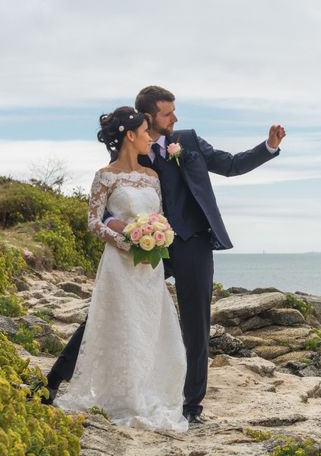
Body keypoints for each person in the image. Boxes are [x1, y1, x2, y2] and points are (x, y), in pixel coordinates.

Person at [45, 86, 285, 425]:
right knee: (107, 311)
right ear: (147, 119)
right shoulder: (135, 152)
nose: (175, 118)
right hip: (144, 246)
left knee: (196, 324)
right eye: (167, 113)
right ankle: (53, 381)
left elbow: (230, 165)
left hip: (192, 243)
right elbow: (113, 205)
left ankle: (192, 406)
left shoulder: (187, 140)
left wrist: (269, 146)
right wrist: (124, 230)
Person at [55, 107, 189, 431]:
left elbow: (158, 218)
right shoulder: (105, 175)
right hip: (119, 266)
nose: (149, 137)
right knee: (124, 329)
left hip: (149, 269)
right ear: (130, 135)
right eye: (145, 132)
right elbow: (93, 221)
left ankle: (149, 391)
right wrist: (125, 240)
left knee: (151, 328)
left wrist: (157, 234)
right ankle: (125, 397)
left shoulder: (152, 177)